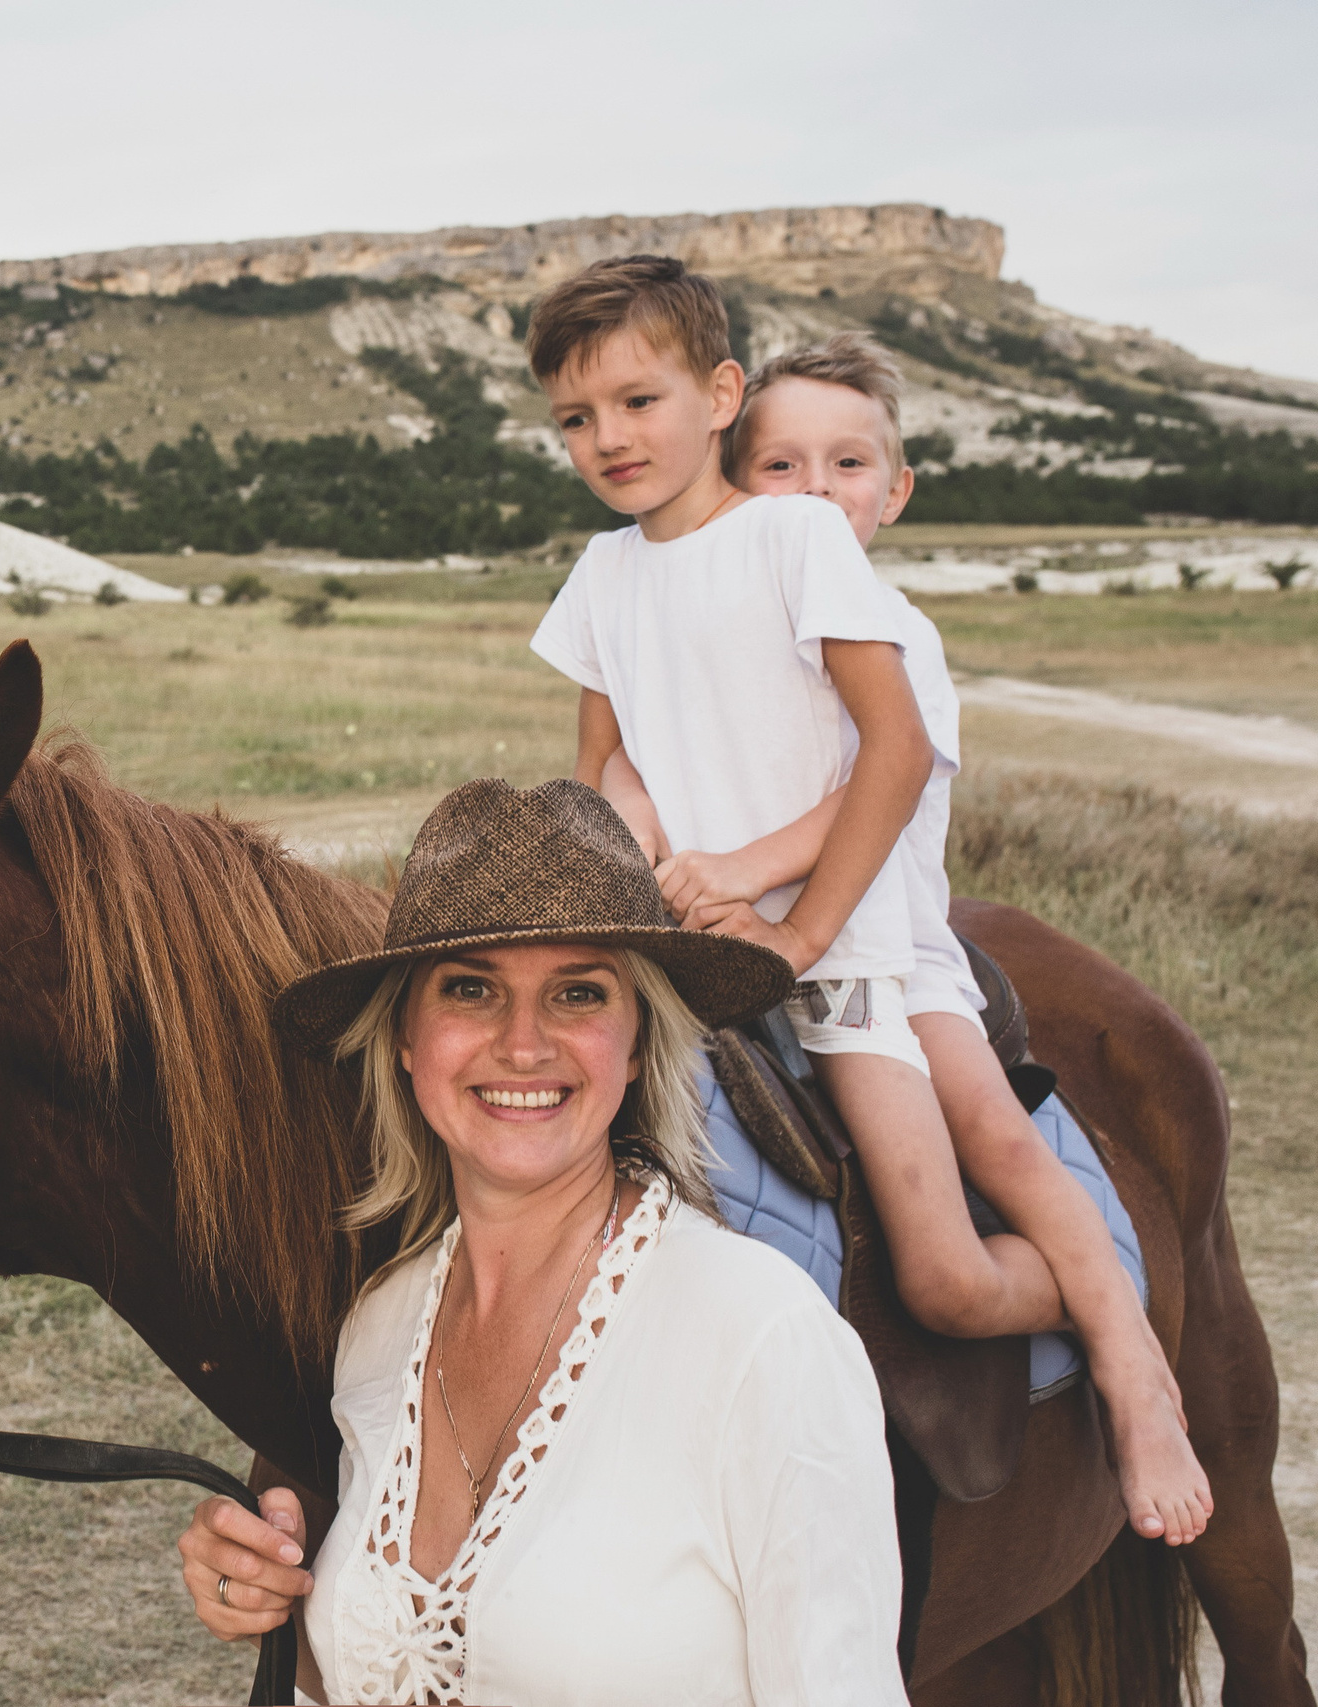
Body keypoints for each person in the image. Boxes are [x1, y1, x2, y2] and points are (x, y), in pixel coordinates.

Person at [618, 331, 1208, 1544]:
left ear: (894, 492)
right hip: (732, 956)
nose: (814, 491)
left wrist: (741, 872)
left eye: (847, 464)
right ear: (736, 482)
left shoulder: (893, 634)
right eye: (779, 465)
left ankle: (1126, 1353)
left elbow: (865, 798)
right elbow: (642, 756)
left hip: (877, 962)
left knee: (964, 1211)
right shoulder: (710, 622)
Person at [176, 777, 903, 1703]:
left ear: (635, 1043)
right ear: (406, 1036)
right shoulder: (379, 1328)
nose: (523, 1045)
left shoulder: (765, 1340)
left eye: (578, 993)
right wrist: (262, 1594)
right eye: (471, 989)